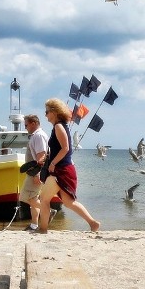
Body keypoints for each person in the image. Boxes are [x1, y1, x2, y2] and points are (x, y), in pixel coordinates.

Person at [36, 98, 101, 233]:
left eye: (47, 111)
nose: (45, 115)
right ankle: (93, 223)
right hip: (64, 169)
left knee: (44, 198)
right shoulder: (59, 126)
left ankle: (42, 229)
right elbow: (61, 149)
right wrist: (48, 158)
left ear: (54, 112)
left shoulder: (59, 126)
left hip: (61, 170)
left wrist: (53, 163)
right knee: (68, 202)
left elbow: (66, 148)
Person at [19, 114, 48, 231]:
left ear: (33, 123)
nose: (25, 127)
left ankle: (49, 212)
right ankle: (34, 224)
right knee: (34, 199)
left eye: (26, 125)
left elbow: (42, 157)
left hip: (35, 173)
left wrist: (37, 175)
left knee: (26, 197)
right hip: (33, 172)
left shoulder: (38, 136)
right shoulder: (37, 136)